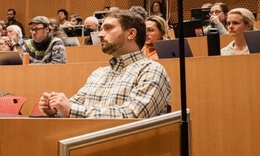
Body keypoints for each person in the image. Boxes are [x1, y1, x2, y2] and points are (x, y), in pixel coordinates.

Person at [38, 8, 172, 119]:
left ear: (131, 33)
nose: (100, 35)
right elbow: (73, 105)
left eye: (108, 28)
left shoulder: (151, 70)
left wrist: (70, 109)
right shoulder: (99, 74)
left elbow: (133, 116)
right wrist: (55, 109)